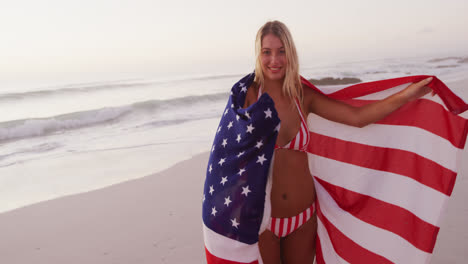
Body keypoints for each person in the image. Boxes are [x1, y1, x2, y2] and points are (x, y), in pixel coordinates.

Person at [241, 20, 433, 264]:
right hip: (262, 219)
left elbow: (357, 118)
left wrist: (406, 95)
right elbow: (226, 157)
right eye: (267, 52)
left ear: (291, 54)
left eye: (281, 51)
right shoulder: (247, 96)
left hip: (302, 218)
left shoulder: (302, 96)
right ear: (258, 54)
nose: (274, 60)